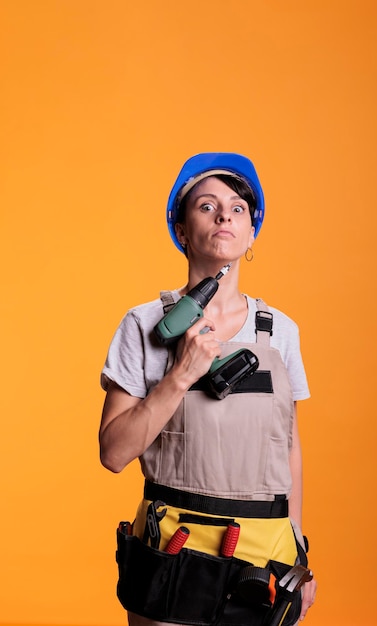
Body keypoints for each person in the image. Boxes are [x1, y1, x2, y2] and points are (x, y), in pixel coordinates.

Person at [99, 153, 317, 626]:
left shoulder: (280, 331)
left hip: (265, 557)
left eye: (239, 208)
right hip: (173, 552)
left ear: (251, 233)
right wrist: (180, 375)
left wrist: (298, 550)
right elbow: (114, 453)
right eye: (207, 206)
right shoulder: (143, 325)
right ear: (180, 229)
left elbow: (289, 447)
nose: (224, 216)